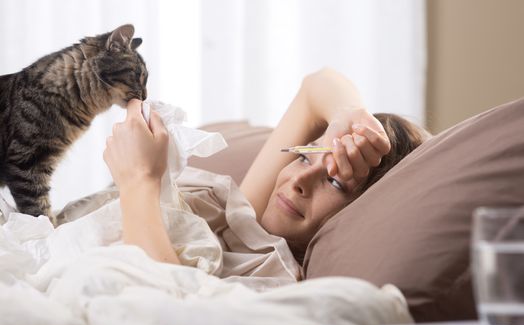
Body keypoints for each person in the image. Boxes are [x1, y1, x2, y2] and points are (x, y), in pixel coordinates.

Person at [103, 68, 430, 265]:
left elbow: (158, 309)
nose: (299, 179)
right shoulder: (247, 218)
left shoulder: (278, 279)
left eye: (335, 183)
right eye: (304, 156)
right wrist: (349, 115)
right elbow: (317, 86)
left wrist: (139, 181)